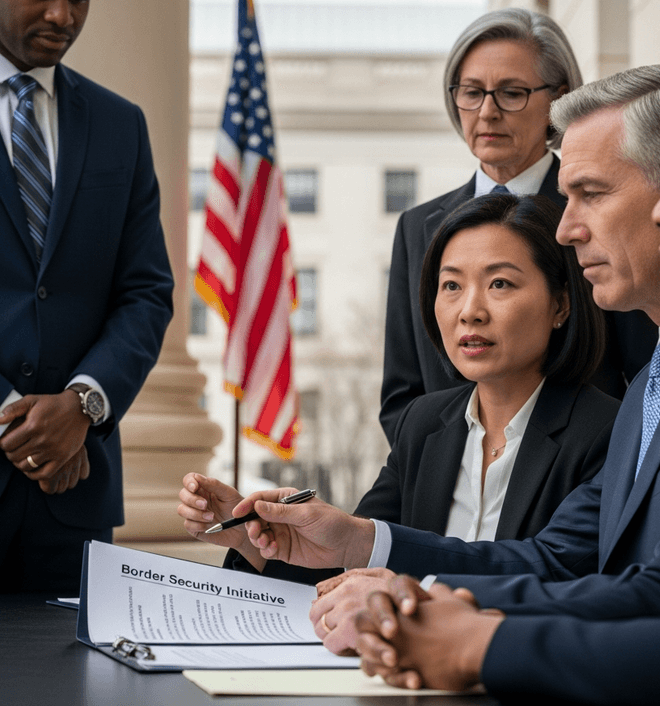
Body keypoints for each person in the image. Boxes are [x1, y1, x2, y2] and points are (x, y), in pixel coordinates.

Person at [355, 11, 660, 700]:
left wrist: (480, 643)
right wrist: (426, 604)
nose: (568, 229)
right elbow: (653, 584)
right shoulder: (659, 387)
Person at [214, 65, 660, 652]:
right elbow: (561, 562)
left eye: (592, 193)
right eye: (450, 286)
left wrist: (452, 633)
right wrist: (359, 547)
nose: (567, 229)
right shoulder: (650, 392)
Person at [179, 193, 619, 649]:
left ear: (561, 305)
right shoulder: (425, 423)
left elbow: (552, 569)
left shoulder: (608, 430)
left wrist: (360, 539)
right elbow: (348, 567)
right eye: (451, 286)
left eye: (500, 284)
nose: (470, 310)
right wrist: (257, 541)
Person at [0, 0, 173, 594]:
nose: (62, 16)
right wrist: (19, 423)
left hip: (72, 498)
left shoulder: (119, 125)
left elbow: (146, 291)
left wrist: (81, 406)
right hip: (48, 457)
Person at [381, 7, 657, 441]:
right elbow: (402, 394)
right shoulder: (417, 227)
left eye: (511, 93)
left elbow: (644, 371)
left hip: (581, 480)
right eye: (471, 92)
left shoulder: (597, 208)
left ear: (558, 98)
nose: (487, 112)